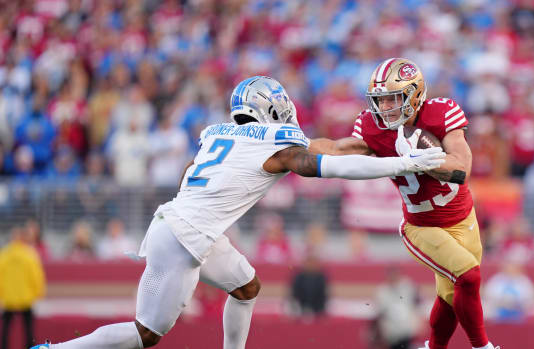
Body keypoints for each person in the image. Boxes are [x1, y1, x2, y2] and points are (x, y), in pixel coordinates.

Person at [31, 76, 445, 349]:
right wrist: (404, 164)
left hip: (187, 227)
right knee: (146, 335)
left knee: (246, 286)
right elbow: (330, 165)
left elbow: (320, 150)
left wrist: (367, 147)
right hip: (185, 236)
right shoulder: (272, 143)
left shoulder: (221, 135)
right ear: (270, 108)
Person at [310, 58, 499, 349]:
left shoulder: (440, 112)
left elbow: (462, 167)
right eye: (380, 100)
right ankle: (483, 347)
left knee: (450, 297)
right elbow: (336, 149)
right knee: (468, 276)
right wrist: (292, 142)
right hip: (421, 226)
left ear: (415, 94)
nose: (384, 108)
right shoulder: (373, 128)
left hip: (464, 216)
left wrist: (426, 162)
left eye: (392, 99)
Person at [0, 226, 46, 349]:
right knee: (28, 329)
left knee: (6, 328)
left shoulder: (4, 255)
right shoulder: (29, 254)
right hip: (26, 298)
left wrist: (2, 295)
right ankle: (29, 347)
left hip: (9, 298)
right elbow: (36, 275)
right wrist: (38, 292)